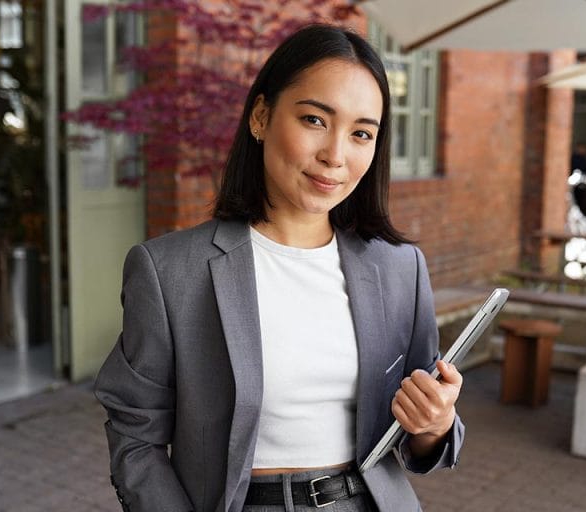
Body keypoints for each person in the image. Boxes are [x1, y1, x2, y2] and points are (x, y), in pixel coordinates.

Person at [94, 25, 465, 512]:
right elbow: (135, 438)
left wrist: (435, 424)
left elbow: (417, 440)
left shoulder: (399, 269)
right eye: (314, 119)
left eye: (360, 133)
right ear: (262, 116)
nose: (335, 155)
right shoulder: (169, 272)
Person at [569, 142, 586, 219]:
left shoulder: (583, 158)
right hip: (575, 183)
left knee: (581, 199)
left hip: (582, 182)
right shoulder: (575, 158)